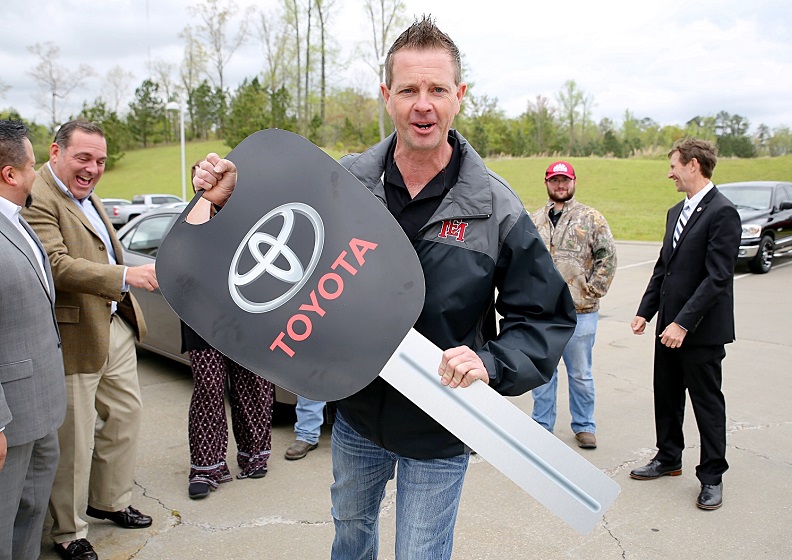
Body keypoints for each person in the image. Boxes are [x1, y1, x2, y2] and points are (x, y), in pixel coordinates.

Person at [192, 15, 575, 559]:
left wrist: (491, 363)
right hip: (356, 416)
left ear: (459, 96)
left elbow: (544, 319)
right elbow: (282, 243)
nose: (424, 104)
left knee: (420, 553)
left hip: (440, 421)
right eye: (409, 89)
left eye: (438, 89)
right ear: (387, 96)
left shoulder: (495, 206)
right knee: (350, 536)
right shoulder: (342, 181)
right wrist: (227, 199)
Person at [22, 120, 157, 560]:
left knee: (124, 417)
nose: (93, 168)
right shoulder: (37, 196)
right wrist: (124, 276)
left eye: (100, 161)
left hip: (114, 324)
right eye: (83, 158)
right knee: (75, 439)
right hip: (74, 332)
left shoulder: (86, 193)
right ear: (55, 151)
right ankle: (69, 531)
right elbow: (56, 265)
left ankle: (110, 501)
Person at [629, 138, 741, 511]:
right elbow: (666, 267)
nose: (670, 172)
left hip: (700, 332)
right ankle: (668, 458)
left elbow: (718, 278)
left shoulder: (722, 212)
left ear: (693, 165)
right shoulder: (676, 212)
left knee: (707, 404)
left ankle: (712, 477)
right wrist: (646, 311)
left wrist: (683, 323)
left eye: (674, 165)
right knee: (667, 395)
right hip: (668, 330)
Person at [181, 163, 275, 500]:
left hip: (245, 318)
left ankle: (254, 455)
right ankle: (206, 468)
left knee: (253, 386)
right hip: (202, 318)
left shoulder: (247, 217)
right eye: (202, 179)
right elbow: (189, 248)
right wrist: (204, 199)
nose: (209, 182)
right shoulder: (192, 216)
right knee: (209, 388)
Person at [0, 120, 66, 560]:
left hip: (41, 404)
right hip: (10, 417)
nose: (38, 171)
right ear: (10, 173)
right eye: (32, 164)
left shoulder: (18, 221)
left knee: (30, 513)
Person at [530, 161, 616, 449]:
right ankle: (541, 425)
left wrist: (592, 291)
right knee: (543, 374)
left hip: (581, 313)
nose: (560, 185)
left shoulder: (590, 218)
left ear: (574, 182)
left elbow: (608, 257)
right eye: (554, 180)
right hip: (544, 315)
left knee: (580, 374)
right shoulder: (534, 220)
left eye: (565, 180)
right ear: (546, 183)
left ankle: (584, 426)